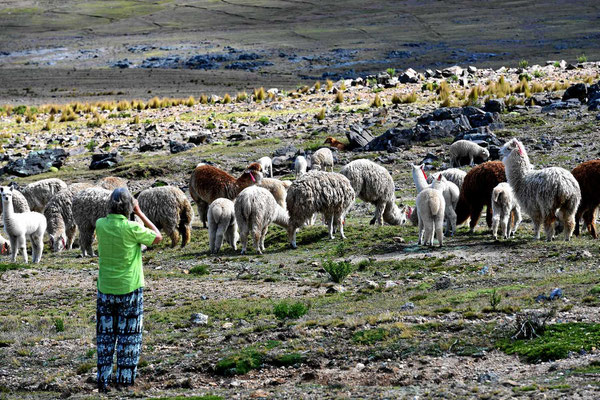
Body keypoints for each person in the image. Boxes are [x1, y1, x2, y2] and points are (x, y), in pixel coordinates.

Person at [94, 188, 162, 393]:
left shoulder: (100, 225)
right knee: (129, 335)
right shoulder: (132, 228)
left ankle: (103, 380)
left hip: (106, 288)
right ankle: (124, 381)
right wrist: (139, 212)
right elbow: (157, 237)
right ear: (128, 207)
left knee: (106, 336)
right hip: (130, 288)